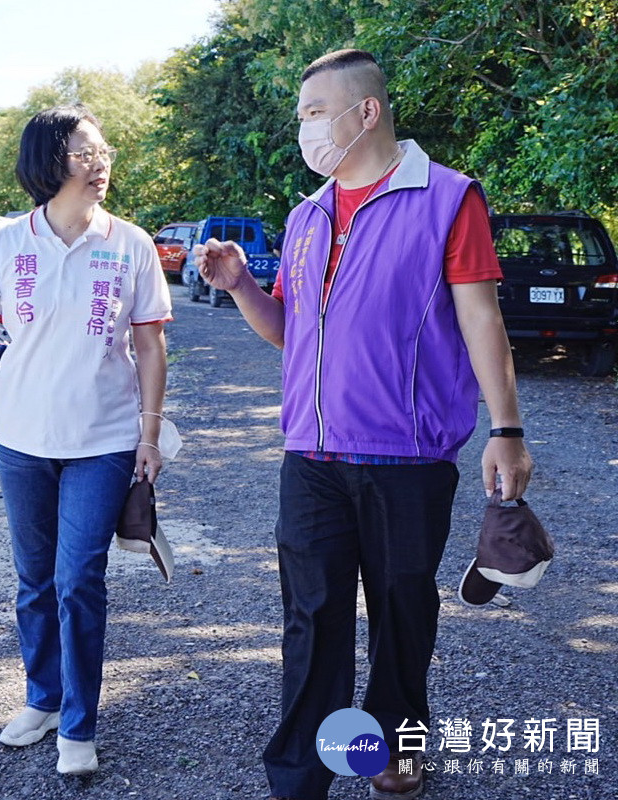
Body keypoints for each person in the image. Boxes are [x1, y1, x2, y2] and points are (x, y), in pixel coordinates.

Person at [194, 49, 532, 800]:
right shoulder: (306, 215)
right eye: (303, 115)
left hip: (407, 460)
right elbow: (294, 333)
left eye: (317, 112)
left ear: (366, 111)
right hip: (308, 457)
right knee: (310, 621)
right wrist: (242, 284)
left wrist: (505, 429)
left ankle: (395, 751)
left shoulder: (448, 198)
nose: (306, 128)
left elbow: (481, 318)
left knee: (402, 614)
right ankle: (299, 778)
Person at [0, 105, 172, 775]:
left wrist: (148, 435)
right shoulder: (4, 246)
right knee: (33, 580)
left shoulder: (130, 244)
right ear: (49, 162)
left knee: (79, 577)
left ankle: (78, 724)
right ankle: (43, 697)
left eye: (103, 151)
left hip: (103, 438)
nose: (100, 161)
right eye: (85, 152)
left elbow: (150, 343)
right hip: (21, 437)